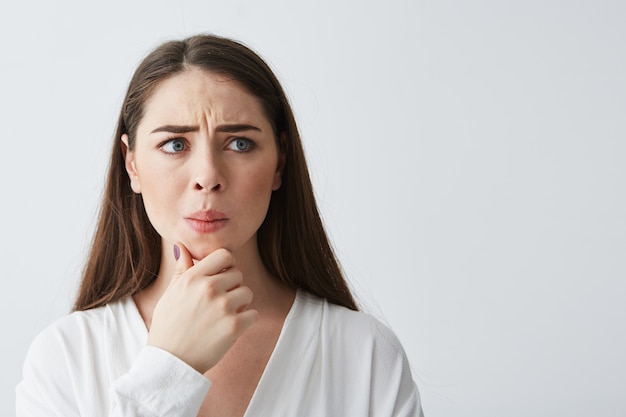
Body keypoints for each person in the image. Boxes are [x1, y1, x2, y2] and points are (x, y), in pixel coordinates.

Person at [16, 34, 423, 417]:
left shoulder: (365, 355)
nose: (208, 175)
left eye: (239, 143)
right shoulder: (65, 358)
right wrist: (170, 368)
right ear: (131, 164)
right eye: (175, 144)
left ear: (280, 162)